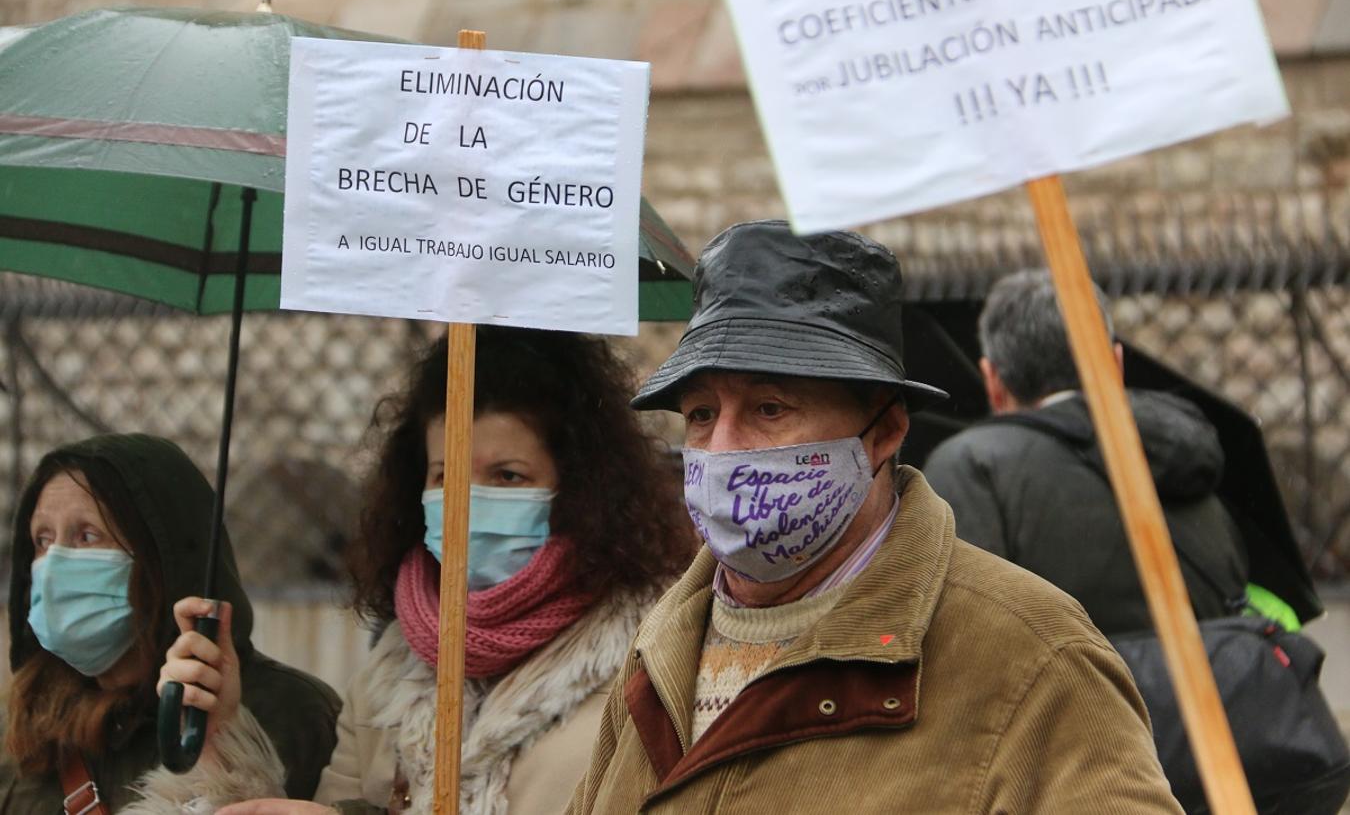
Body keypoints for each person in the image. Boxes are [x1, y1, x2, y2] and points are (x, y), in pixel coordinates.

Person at [567, 220, 1183, 814]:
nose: (722, 448)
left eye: (770, 408)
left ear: (882, 432)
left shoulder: (1035, 659)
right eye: (701, 414)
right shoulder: (661, 645)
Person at [157, 327, 695, 814]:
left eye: (507, 476)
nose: (464, 501)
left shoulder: (654, 658)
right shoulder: (390, 668)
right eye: (444, 474)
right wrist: (222, 737)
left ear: (580, 493)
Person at [0, 433, 340, 813]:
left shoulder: (286, 713)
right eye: (42, 540)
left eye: (87, 535)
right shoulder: (26, 729)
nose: (55, 566)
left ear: (161, 558)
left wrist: (225, 752)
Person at [923, 268, 1249, 635]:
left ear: (993, 380)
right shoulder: (1188, 446)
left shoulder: (972, 467)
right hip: (1210, 688)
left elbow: (968, 639)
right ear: (1115, 363)